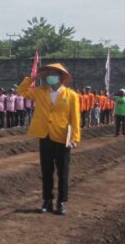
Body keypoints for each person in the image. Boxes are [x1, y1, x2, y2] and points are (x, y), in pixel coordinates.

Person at [17, 63, 80, 216]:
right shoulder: (40, 91)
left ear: (61, 77)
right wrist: (32, 78)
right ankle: (47, 200)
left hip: (62, 137)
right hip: (45, 136)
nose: (50, 76)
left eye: (54, 74)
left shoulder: (71, 95)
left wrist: (75, 138)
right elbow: (21, 91)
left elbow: (75, 118)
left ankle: (61, 202)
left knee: (63, 172)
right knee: (46, 171)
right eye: (49, 74)